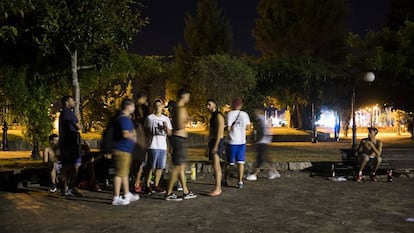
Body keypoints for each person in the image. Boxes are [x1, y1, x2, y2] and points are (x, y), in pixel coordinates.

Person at [164, 88, 197, 201]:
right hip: (179, 139)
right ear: (184, 96)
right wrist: (187, 120)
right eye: (188, 96)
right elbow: (179, 125)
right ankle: (168, 193)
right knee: (177, 167)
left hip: (178, 139)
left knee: (180, 166)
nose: (189, 98)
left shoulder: (177, 108)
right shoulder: (180, 108)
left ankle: (185, 191)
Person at [111, 98, 140, 205]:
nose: (134, 108)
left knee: (124, 173)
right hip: (121, 150)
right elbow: (125, 133)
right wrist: (134, 135)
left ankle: (127, 193)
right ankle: (116, 197)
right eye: (133, 106)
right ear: (128, 106)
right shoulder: (124, 119)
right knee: (119, 174)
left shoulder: (124, 118)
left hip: (125, 150)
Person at [144, 99, 172, 194]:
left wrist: (166, 127)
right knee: (150, 166)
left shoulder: (166, 119)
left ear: (162, 107)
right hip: (153, 145)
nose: (158, 107)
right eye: (156, 105)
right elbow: (145, 131)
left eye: (159, 105)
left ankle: (156, 185)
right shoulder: (150, 118)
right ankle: (147, 185)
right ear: (153, 107)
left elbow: (170, 133)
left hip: (162, 146)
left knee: (160, 167)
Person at [223, 97, 251, 189]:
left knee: (229, 163)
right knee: (241, 162)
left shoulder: (229, 114)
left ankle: (225, 179)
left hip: (231, 141)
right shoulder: (245, 114)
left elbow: (228, 128)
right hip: (241, 141)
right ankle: (240, 181)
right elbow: (248, 128)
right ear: (241, 105)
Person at [246, 107, 280, 181]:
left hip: (261, 141)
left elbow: (259, 132)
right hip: (264, 141)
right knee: (266, 157)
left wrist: (255, 140)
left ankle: (254, 174)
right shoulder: (264, 119)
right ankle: (273, 172)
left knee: (259, 158)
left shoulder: (260, 120)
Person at [59, 95, 83, 197]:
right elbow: (79, 126)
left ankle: (64, 189)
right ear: (66, 102)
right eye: (72, 100)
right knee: (75, 165)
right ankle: (70, 187)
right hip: (71, 144)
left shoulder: (62, 113)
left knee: (65, 166)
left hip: (64, 143)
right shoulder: (69, 113)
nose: (74, 102)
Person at [132, 91, 150, 193]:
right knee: (139, 162)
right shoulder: (142, 108)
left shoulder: (132, 108)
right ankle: (137, 183)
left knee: (134, 162)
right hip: (140, 138)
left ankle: (135, 181)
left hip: (133, 138)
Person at [206, 99, 225, 196]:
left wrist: (216, 146)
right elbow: (211, 132)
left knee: (217, 166)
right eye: (207, 105)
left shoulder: (218, 116)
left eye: (209, 104)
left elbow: (220, 132)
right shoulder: (212, 117)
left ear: (215, 105)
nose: (207, 107)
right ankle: (217, 187)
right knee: (214, 165)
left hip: (217, 142)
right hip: (213, 142)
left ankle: (218, 188)